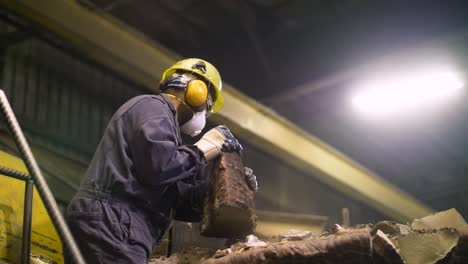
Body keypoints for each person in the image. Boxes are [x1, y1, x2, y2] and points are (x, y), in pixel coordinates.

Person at [65, 58, 257, 263]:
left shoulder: (167, 129)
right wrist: (203, 149)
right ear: (196, 90)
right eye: (208, 104)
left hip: (119, 224)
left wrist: (215, 190)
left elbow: (174, 197)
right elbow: (159, 168)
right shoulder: (153, 108)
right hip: (111, 221)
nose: (206, 113)